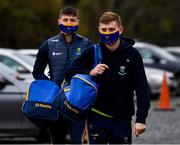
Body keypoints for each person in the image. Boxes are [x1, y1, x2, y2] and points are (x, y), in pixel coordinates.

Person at [65, 11, 150, 144]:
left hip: (123, 120)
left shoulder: (133, 55)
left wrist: (141, 119)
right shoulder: (92, 51)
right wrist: (90, 72)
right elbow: (69, 74)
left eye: (111, 29)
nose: (107, 33)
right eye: (103, 29)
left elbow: (142, 88)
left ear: (120, 30)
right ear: (99, 30)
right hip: (97, 117)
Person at [32, 7, 92, 144]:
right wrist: (52, 87)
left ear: (78, 22)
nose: (69, 23)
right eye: (65, 20)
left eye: (72, 20)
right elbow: (37, 72)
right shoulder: (48, 45)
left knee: (78, 141)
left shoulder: (87, 44)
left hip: (78, 104)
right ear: (59, 21)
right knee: (57, 141)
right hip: (56, 104)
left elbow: (94, 70)